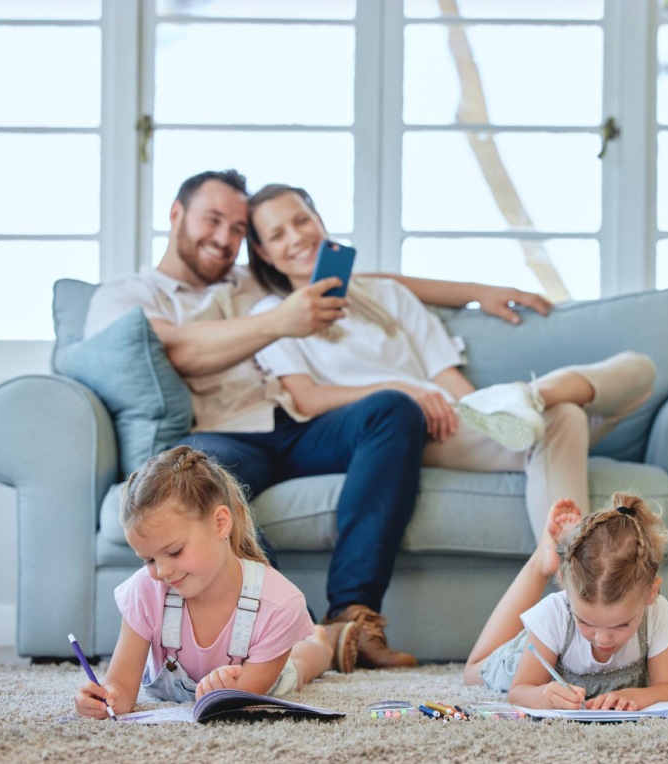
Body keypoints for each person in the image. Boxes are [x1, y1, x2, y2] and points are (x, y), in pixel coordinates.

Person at [84, 170, 553, 670]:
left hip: (293, 418)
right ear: (176, 215)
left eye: (238, 229)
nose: (224, 239)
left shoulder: (248, 279)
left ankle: (352, 618)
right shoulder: (131, 295)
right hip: (227, 432)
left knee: (393, 407)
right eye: (212, 220)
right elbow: (175, 350)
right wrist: (281, 320)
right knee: (210, 477)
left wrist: (478, 292)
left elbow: (377, 284)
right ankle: (296, 636)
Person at [245, 183, 657, 544]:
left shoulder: (387, 293)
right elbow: (307, 398)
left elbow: (445, 373)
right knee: (564, 417)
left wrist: (482, 409)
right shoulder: (272, 315)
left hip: (461, 416)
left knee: (640, 371)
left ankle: (524, 398)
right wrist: (406, 391)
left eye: (302, 220)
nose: (296, 237)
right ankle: (577, 585)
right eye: (277, 234)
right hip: (413, 433)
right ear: (263, 252)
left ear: (319, 220)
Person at [73, 446, 356, 719]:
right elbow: (120, 687)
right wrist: (105, 698)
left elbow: (243, 698)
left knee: (301, 667)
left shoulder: (280, 603)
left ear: (220, 524)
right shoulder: (145, 592)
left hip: (259, 675)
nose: (162, 571)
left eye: (174, 552)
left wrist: (231, 687)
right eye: (148, 560)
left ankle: (322, 642)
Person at [464, 494, 668, 711]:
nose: (602, 639)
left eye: (621, 625)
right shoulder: (555, 613)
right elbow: (519, 691)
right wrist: (543, 696)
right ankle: (540, 562)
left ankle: (560, 549)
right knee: (473, 673)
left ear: (651, 593)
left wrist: (636, 696)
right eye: (585, 621)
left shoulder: (657, 614)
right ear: (565, 589)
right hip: (535, 648)